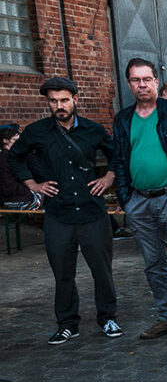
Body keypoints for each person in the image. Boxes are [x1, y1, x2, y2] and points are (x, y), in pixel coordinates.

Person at [8, 77, 120, 344]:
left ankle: (108, 318)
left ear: (75, 100)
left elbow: (118, 153)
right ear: (48, 102)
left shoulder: (93, 130)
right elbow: (14, 156)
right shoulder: (37, 132)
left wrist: (109, 177)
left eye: (64, 100)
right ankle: (68, 323)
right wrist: (32, 184)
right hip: (59, 213)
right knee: (63, 273)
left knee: (102, 270)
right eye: (53, 101)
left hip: (92, 212)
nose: (59, 105)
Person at [109, 58, 167, 342]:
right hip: (139, 201)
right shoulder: (123, 119)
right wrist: (126, 199)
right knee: (153, 263)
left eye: (147, 79)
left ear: (155, 81)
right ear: (129, 84)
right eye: (136, 80)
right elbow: (119, 159)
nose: (142, 85)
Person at [1, 125, 39, 209]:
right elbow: (10, 184)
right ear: (5, 141)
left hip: (11, 197)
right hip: (16, 199)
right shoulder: (9, 158)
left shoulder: (5, 156)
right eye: (15, 140)